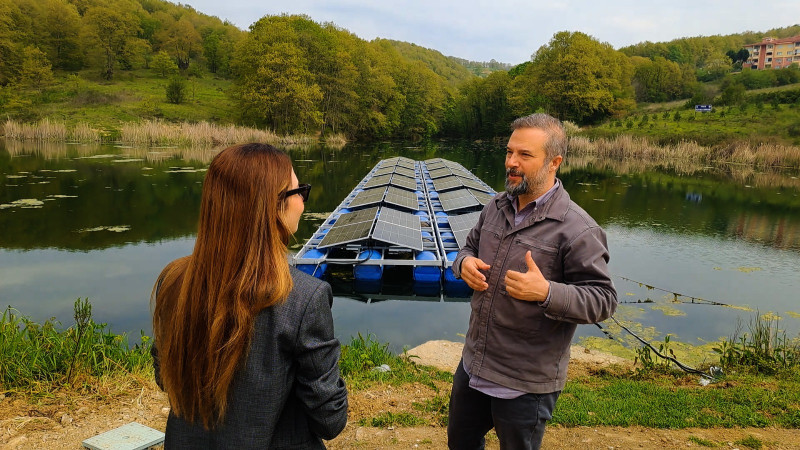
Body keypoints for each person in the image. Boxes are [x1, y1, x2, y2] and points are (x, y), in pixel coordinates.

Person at [151, 143, 348, 449]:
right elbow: (330, 419)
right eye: (299, 192)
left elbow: (166, 379)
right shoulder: (305, 299)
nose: (302, 203)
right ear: (272, 206)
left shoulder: (173, 280)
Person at [447, 114, 617, 450]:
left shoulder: (577, 229)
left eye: (525, 155)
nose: (511, 162)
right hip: (474, 366)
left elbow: (603, 300)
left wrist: (547, 292)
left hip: (524, 384)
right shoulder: (495, 207)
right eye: (510, 152)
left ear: (554, 162)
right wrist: (463, 263)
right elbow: (466, 247)